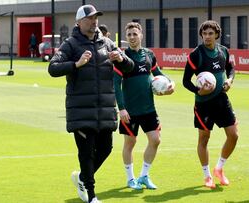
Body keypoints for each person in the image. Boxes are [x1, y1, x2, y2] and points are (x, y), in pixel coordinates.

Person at [48, 4, 134, 203]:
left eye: (96, 18)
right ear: (79, 22)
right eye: (90, 18)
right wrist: (76, 64)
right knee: (86, 153)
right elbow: (53, 68)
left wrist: (121, 58)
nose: (94, 21)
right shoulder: (70, 44)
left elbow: (129, 67)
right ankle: (92, 196)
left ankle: (82, 177)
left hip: (104, 110)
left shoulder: (107, 43)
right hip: (81, 111)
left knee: (106, 149)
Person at [114, 22, 174, 190]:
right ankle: (130, 178)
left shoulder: (149, 54)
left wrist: (171, 84)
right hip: (130, 111)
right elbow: (116, 84)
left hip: (148, 108)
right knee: (130, 143)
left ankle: (144, 176)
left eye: (135, 34)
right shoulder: (122, 57)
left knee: (155, 140)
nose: (132, 37)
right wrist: (122, 108)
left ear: (141, 35)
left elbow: (158, 74)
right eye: (129, 35)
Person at [182, 20, 238, 189]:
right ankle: (207, 176)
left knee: (234, 135)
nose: (207, 36)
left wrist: (229, 80)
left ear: (217, 35)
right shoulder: (196, 54)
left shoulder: (223, 51)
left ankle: (219, 168)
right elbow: (185, 81)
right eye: (204, 34)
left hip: (222, 100)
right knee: (204, 139)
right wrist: (198, 91)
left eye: (210, 33)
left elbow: (231, 69)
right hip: (203, 104)